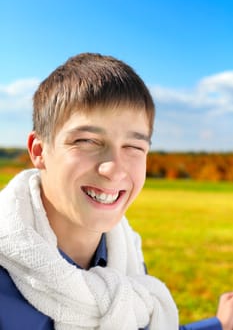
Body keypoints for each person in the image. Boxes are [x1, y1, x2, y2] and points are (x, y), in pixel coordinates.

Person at [0, 53, 232, 330]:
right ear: (39, 151)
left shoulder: (125, 253)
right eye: (86, 141)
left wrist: (219, 325)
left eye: (134, 147)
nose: (114, 169)